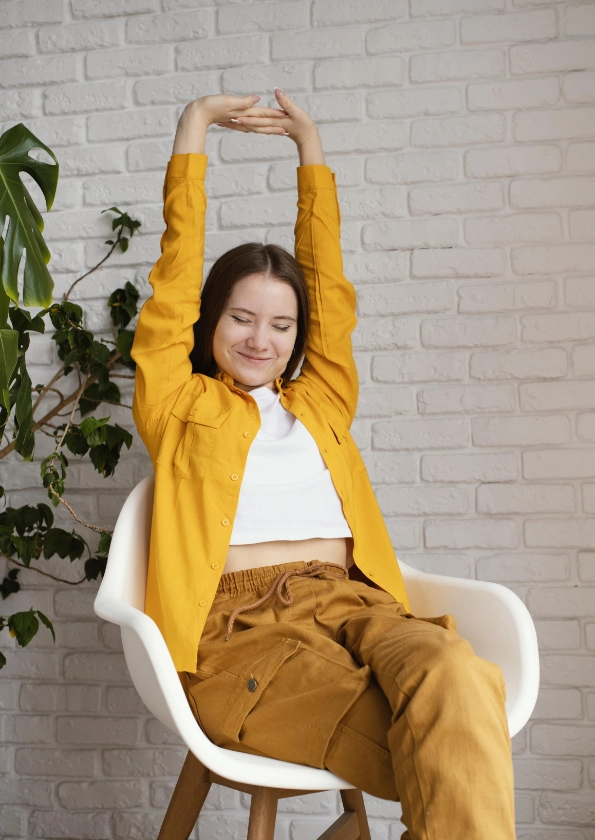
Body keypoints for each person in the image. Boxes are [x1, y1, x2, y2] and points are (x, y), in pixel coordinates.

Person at [130, 91, 516, 840]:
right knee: (450, 746)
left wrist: (310, 149)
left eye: (281, 325)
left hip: (354, 605)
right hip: (240, 630)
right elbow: (172, 282)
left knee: (459, 676)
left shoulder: (322, 401)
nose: (260, 339)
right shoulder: (178, 405)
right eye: (241, 317)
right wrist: (194, 130)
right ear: (211, 321)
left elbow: (330, 291)